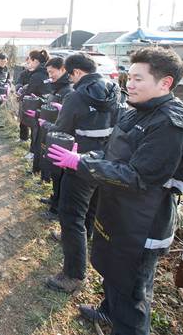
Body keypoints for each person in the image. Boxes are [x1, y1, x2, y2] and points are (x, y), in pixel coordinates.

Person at [47, 47, 183, 335]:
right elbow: (112, 155)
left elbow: (138, 177)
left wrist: (81, 164)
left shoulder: (169, 126)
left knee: (133, 295)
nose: (128, 84)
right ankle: (108, 312)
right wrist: (83, 155)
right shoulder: (139, 112)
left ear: (165, 83)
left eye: (137, 79)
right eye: (128, 77)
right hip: (119, 212)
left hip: (142, 226)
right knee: (113, 274)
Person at [43, 53, 123, 294]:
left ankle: (74, 274)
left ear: (76, 72)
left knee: (70, 216)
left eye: (71, 74)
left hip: (78, 162)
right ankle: (85, 236)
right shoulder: (113, 89)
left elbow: (62, 129)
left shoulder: (76, 96)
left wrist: (47, 124)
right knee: (91, 207)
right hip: (106, 161)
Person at [29, 56, 73, 219]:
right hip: (53, 132)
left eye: (52, 72)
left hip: (61, 136)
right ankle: (54, 198)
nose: (50, 76)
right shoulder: (57, 87)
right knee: (55, 172)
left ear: (63, 69)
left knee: (60, 173)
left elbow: (67, 118)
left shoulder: (68, 90)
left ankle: (56, 208)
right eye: (48, 72)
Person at [17, 49, 51, 152]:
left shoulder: (37, 75)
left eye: (30, 61)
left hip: (37, 106)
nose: (29, 63)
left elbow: (29, 91)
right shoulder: (45, 72)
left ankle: (33, 152)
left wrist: (20, 96)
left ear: (35, 61)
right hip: (47, 106)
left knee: (36, 131)